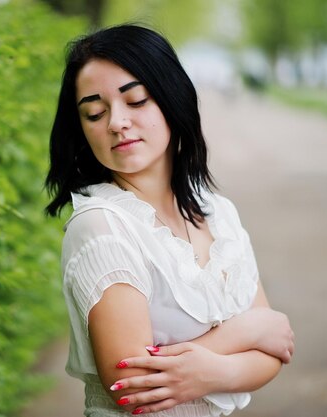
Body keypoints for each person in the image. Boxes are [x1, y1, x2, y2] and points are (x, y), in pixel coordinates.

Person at [44, 24, 294, 417]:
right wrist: (244, 333)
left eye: (136, 100)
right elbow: (131, 388)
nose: (115, 122)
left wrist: (212, 370)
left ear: (171, 98)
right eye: (94, 112)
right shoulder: (101, 226)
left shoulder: (219, 214)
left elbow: (276, 349)